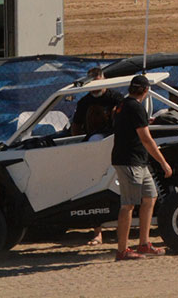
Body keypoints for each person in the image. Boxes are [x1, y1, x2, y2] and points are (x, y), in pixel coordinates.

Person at [111, 74, 172, 261]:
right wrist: (163, 162)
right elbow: (146, 139)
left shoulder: (123, 105)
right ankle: (122, 250)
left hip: (137, 160)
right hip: (130, 161)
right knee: (128, 204)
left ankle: (144, 243)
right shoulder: (134, 107)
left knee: (150, 197)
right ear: (145, 91)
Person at [70, 66, 123, 246]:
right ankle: (97, 232)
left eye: (98, 82)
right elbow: (76, 126)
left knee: (119, 188)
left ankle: (120, 229)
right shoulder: (84, 102)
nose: (95, 87)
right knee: (94, 188)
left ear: (104, 79)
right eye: (92, 83)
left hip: (116, 144)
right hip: (94, 147)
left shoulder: (116, 97)